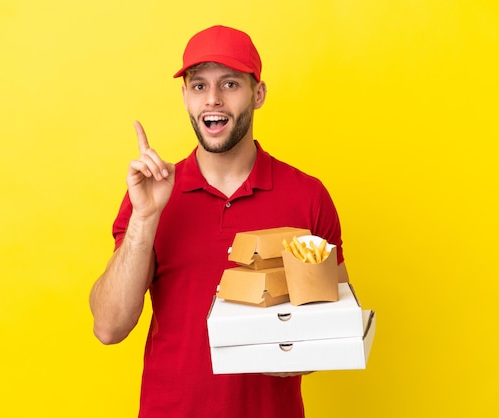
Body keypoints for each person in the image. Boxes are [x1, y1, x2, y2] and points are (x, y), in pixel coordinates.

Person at [89, 25, 349, 418]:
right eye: (199, 86)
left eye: (230, 84)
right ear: (185, 97)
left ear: (257, 94)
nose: (213, 100)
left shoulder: (307, 197)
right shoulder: (151, 197)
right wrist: (145, 218)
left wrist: (291, 351)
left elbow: (333, 326)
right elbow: (109, 328)